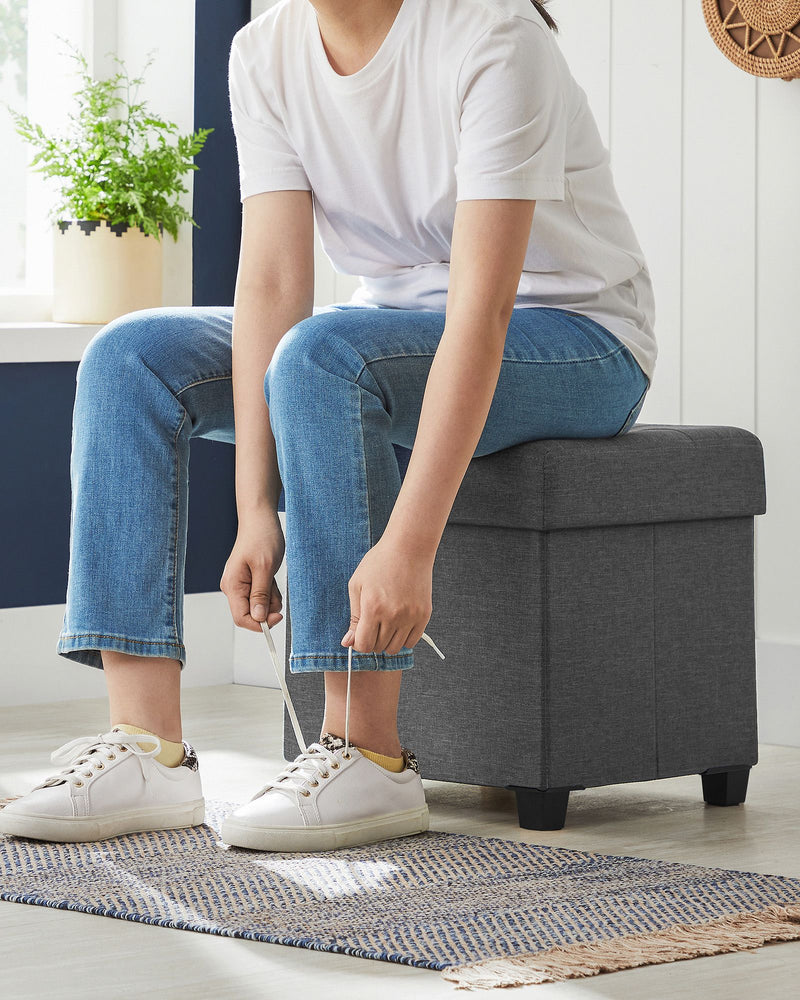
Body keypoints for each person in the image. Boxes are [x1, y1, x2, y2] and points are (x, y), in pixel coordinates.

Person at [0, 0, 656, 852]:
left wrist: (409, 549)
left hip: (575, 339)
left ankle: (368, 759)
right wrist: (255, 509)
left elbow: (482, 310)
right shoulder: (264, 52)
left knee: (325, 356)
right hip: (383, 335)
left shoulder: (495, 37)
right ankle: (147, 747)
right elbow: (274, 286)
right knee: (132, 355)